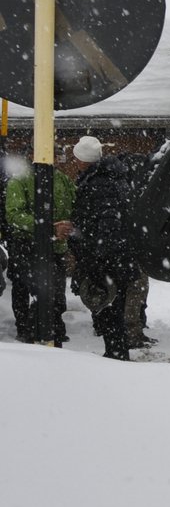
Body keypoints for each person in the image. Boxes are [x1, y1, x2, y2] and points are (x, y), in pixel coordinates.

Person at [66, 136, 138, 360]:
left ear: (83, 160)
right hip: (116, 258)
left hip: (108, 261)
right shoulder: (112, 179)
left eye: (77, 157)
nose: (74, 162)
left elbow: (107, 227)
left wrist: (96, 261)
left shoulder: (99, 185)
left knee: (110, 313)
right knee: (112, 312)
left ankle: (116, 358)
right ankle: (116, 354)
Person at [5, 153, 74, 345]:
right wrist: (50, 227)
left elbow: (73, 204)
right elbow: (14, 215)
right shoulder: (20, 180)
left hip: (53, 246)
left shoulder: (61, 178)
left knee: (52, 289)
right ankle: (29, 330)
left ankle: (49, 327)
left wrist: (66, 226)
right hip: (27, 245)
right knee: (27, 288)